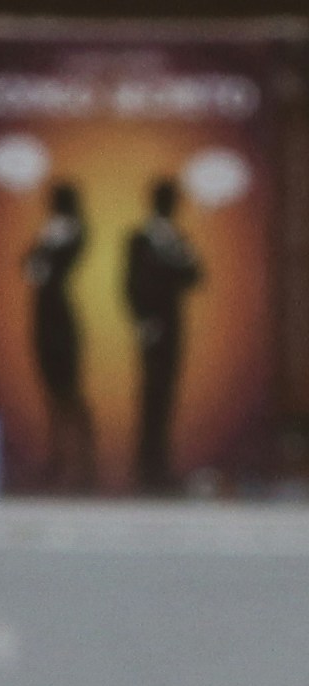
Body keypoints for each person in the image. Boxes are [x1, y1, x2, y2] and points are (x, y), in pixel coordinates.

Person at [122, 171, 205, 494]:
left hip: (173, 327)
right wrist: (142, 321)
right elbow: (128, 283)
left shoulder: (177, 239)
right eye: (168, 200)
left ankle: (161, 467)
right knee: (150, 394)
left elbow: (195, 277)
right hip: (150, 328)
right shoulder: (139, 239)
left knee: (167, 395)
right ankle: (146, 468)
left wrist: (181, 254)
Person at [22, 175, 93, 491]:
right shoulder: (49, 234)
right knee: (52, 392)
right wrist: (45, 241)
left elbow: (45, 267)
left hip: (61, 318)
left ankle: (84, 460)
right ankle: (59, 458)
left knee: (69, 390)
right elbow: (28, 268)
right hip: (43, 316)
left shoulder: (72, 234)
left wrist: (49, 242)